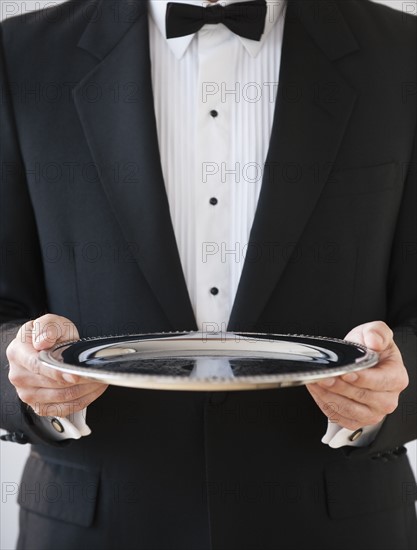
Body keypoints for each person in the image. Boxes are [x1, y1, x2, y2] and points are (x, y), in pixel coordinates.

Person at [0, 0, 416, 548]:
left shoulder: (403, 52)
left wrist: (392, 394)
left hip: (338, 524)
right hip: (97, 526)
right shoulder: (20, 54)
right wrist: (26, 376)